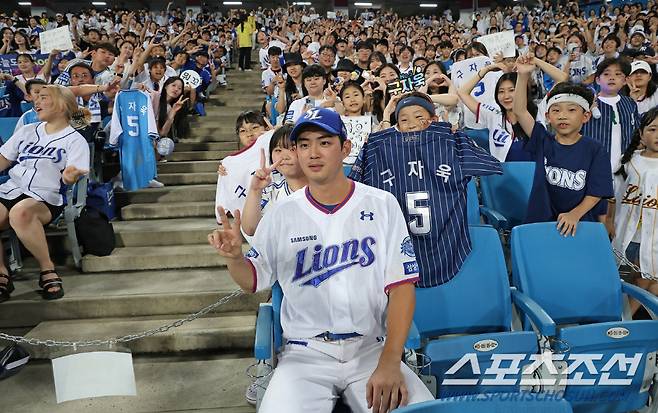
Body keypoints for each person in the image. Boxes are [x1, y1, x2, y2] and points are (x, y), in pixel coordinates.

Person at [209, 108, 434, 412]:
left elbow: (402, 288)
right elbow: (252, 280)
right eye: (304, 144)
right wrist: (235, 258)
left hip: (370, 349)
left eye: (324, 142)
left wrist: (391, 362)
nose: (313, 153)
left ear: (346, 148)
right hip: (304, 354)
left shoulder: (382, 204)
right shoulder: (280, 213)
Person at [350, 91, 502, 288]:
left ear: (434, 119)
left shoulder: (450, 142)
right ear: (397, 125)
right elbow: (351, 189)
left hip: (446, 245)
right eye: (404, 120)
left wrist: (455, 135)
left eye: (419, 117)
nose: (412, 124)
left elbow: (494, 165)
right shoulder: (379, 148)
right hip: (399, 251)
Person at [0, 85, 89, 303]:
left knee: (20, 213)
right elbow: (3, 159)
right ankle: (2, 272)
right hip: (11, 189)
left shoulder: (75, 139)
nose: (36, 102)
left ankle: (47, 269)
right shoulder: (27, 131)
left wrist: (70, 175)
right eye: (36, 98)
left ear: (61, 105)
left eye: (44, 97)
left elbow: (72, 175)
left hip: (46, 197)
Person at [513, 55, 614, 236]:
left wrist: (575, 214)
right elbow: (520, 111)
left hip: (579, 225)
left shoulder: (595, 149)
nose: (562, 115)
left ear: (586, 116)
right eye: (556, 110)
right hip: (541, 224)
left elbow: (597, 191)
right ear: (547, 116)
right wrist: (522, 76)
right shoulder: (542, 140)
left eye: (571, 110)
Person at [610, 107, 658, 316]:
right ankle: (622, 320)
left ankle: (624, 322)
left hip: (655, 238)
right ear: (641, 134)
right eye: (652, 129)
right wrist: (608, 221)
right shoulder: (628, 161)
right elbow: (614, 195)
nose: (657, 135)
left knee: (647, 281)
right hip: (628, 235)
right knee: (630, 280)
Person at [581, 57, 640, 174]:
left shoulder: (630, 103)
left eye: (618, 74)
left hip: (625, 168)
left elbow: (637, 131)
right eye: (606, 74)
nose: (612, 77)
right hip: (593, 167)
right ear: (597, 80)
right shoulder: (587, 104)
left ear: (625, 80)